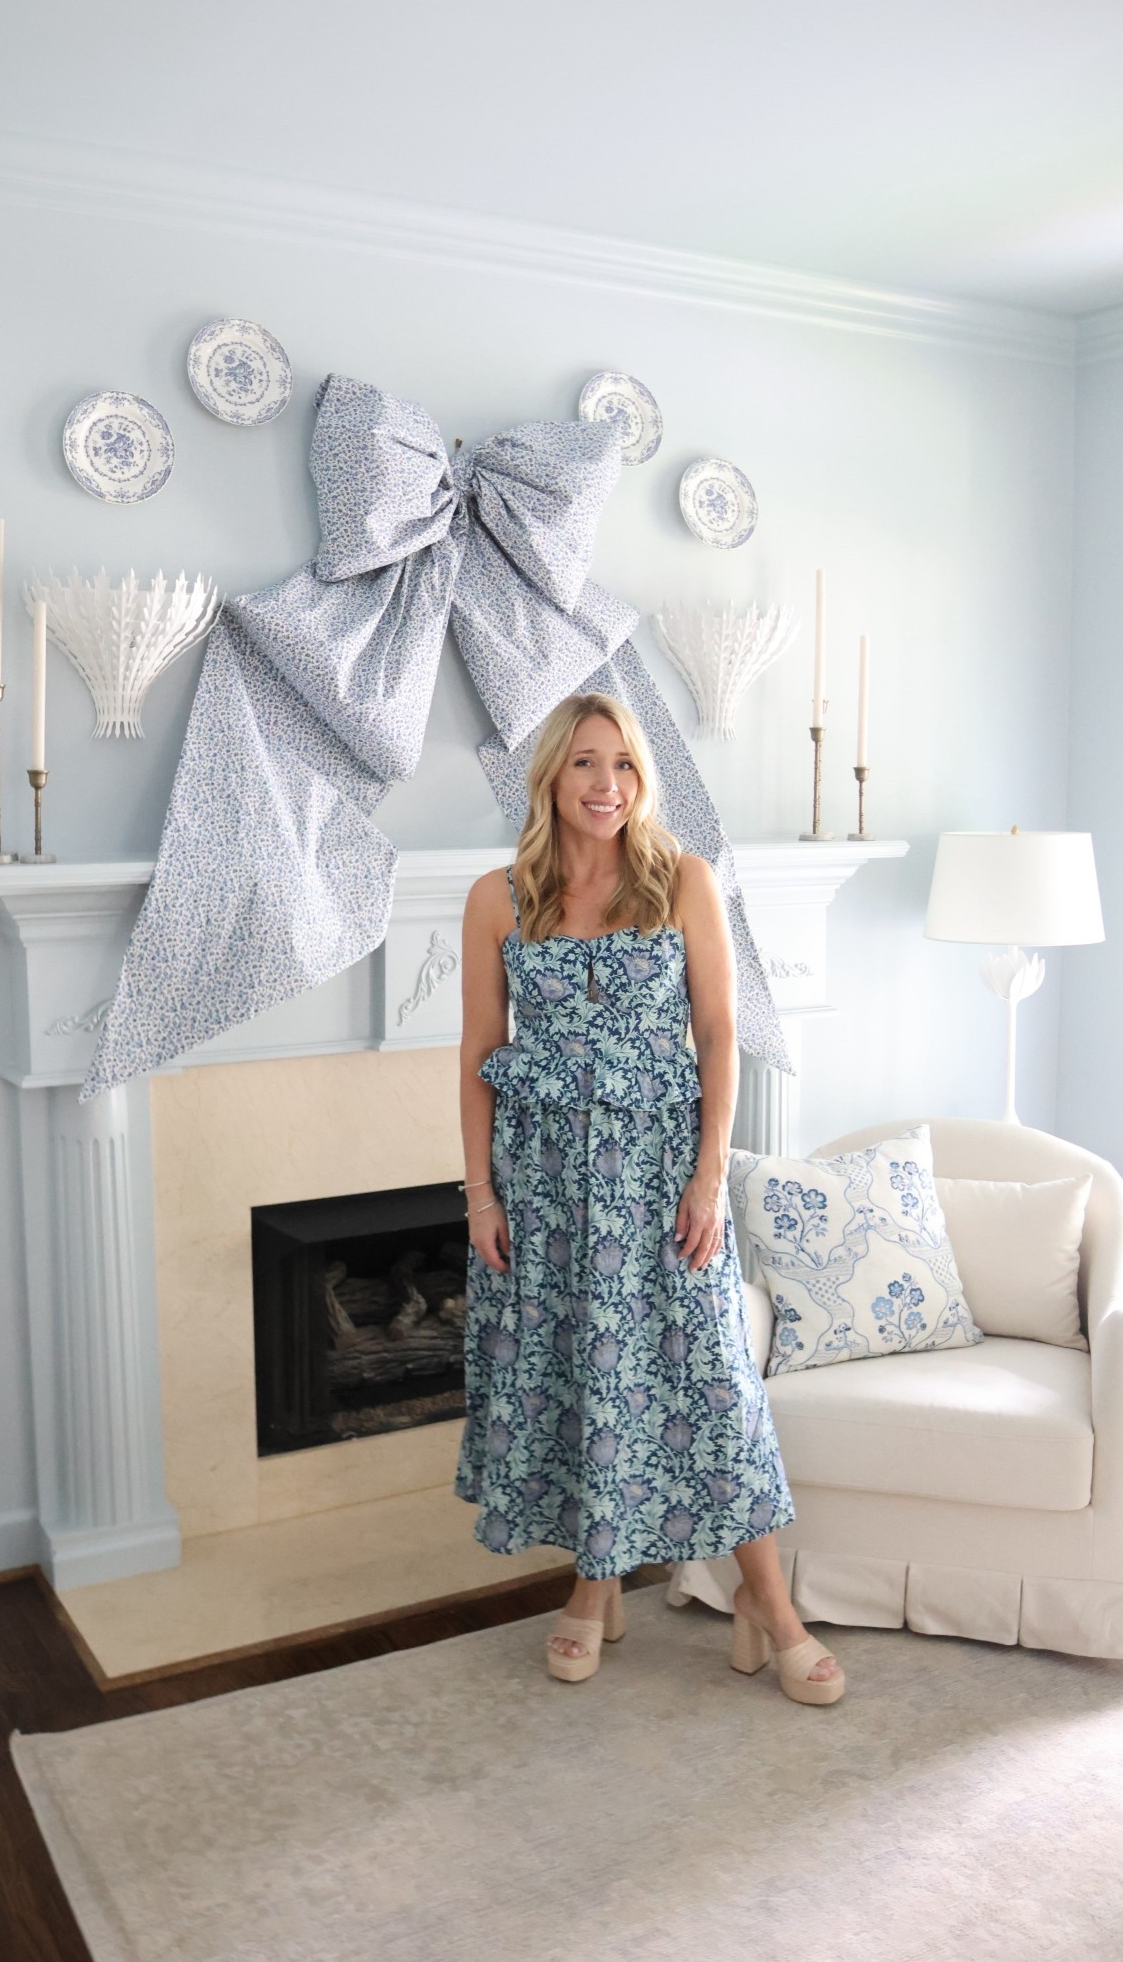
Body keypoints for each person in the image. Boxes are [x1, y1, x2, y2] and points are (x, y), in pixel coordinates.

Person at [454, 691, 843, 1705]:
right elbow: (477, 1055)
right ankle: (594, 1588)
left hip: (663, 1181)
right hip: (545, 1185)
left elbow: (718, 1036)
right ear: (551, 774)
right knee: (588, 1377)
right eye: (586, 763)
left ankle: (770, 1602)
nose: (606, 785)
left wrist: (709, 1175)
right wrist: (481, 1196)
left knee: (713, 1385)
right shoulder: (498, 897)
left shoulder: (682, 881)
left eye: (623, 765)